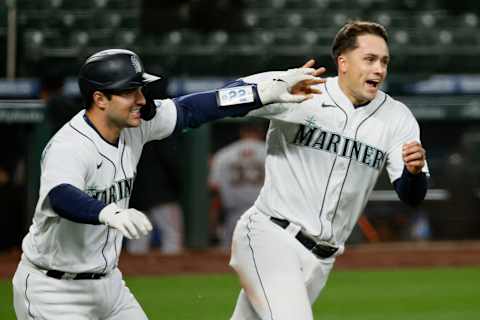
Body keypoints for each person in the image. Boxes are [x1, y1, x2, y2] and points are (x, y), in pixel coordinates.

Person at [11, 48, 324, 320]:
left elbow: (195, 108)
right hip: (54, 289)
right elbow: (61, 195)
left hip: (108, 285)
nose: (141, 99)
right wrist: (108, 213)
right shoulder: (70, 145)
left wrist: (260, 92)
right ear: (99, 99)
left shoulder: (135, 125)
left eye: (140, 89)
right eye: (130, 91)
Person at [228, 21, 429, 320]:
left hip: (322, 260)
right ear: (343, 62)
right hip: (270, 236)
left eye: (384, 61)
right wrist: (274, 85)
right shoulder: (306, 90)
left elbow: (412, 196)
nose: (379, 69)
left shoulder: (397, 118)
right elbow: (229, 96)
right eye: (370, 59)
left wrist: (413, 172)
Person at [209, 122, 266, 250]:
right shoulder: (272, 152)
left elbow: (215, 189)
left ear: (241, 132)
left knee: (229, 256)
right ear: (261, 132)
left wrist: (213, 219)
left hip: (234, 215)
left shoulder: (223, 154)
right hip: (266, 215)